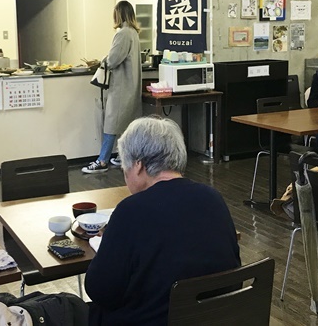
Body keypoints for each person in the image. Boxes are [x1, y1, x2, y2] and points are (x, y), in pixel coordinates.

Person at [84, 116, 241, 325]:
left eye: (124, 168)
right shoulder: (213, 198)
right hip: (219, 318)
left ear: (138, 165)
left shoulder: (131, 211)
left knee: (70, 310)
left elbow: (100, 291)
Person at [82, 1, 142, 174]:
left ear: (119, 14)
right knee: (126, 124)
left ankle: (102, 161)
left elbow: (114, 60)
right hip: (131, 85)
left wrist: (102, 61)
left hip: (121, 88)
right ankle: (124, 157)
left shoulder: (123, 33)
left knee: (111, 124)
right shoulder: (133, 33)